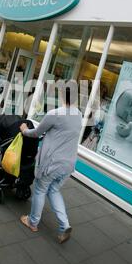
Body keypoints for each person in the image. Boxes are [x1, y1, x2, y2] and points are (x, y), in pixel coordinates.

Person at [19, 80, 82, 244]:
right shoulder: (78, 114)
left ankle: (32, 222)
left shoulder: (56, 113)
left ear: (62, 93)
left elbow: (36, 133)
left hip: (53, 163)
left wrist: (24, 130)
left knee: (40, 189)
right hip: (68, 164)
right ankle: (64, 225)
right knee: (53, 190)